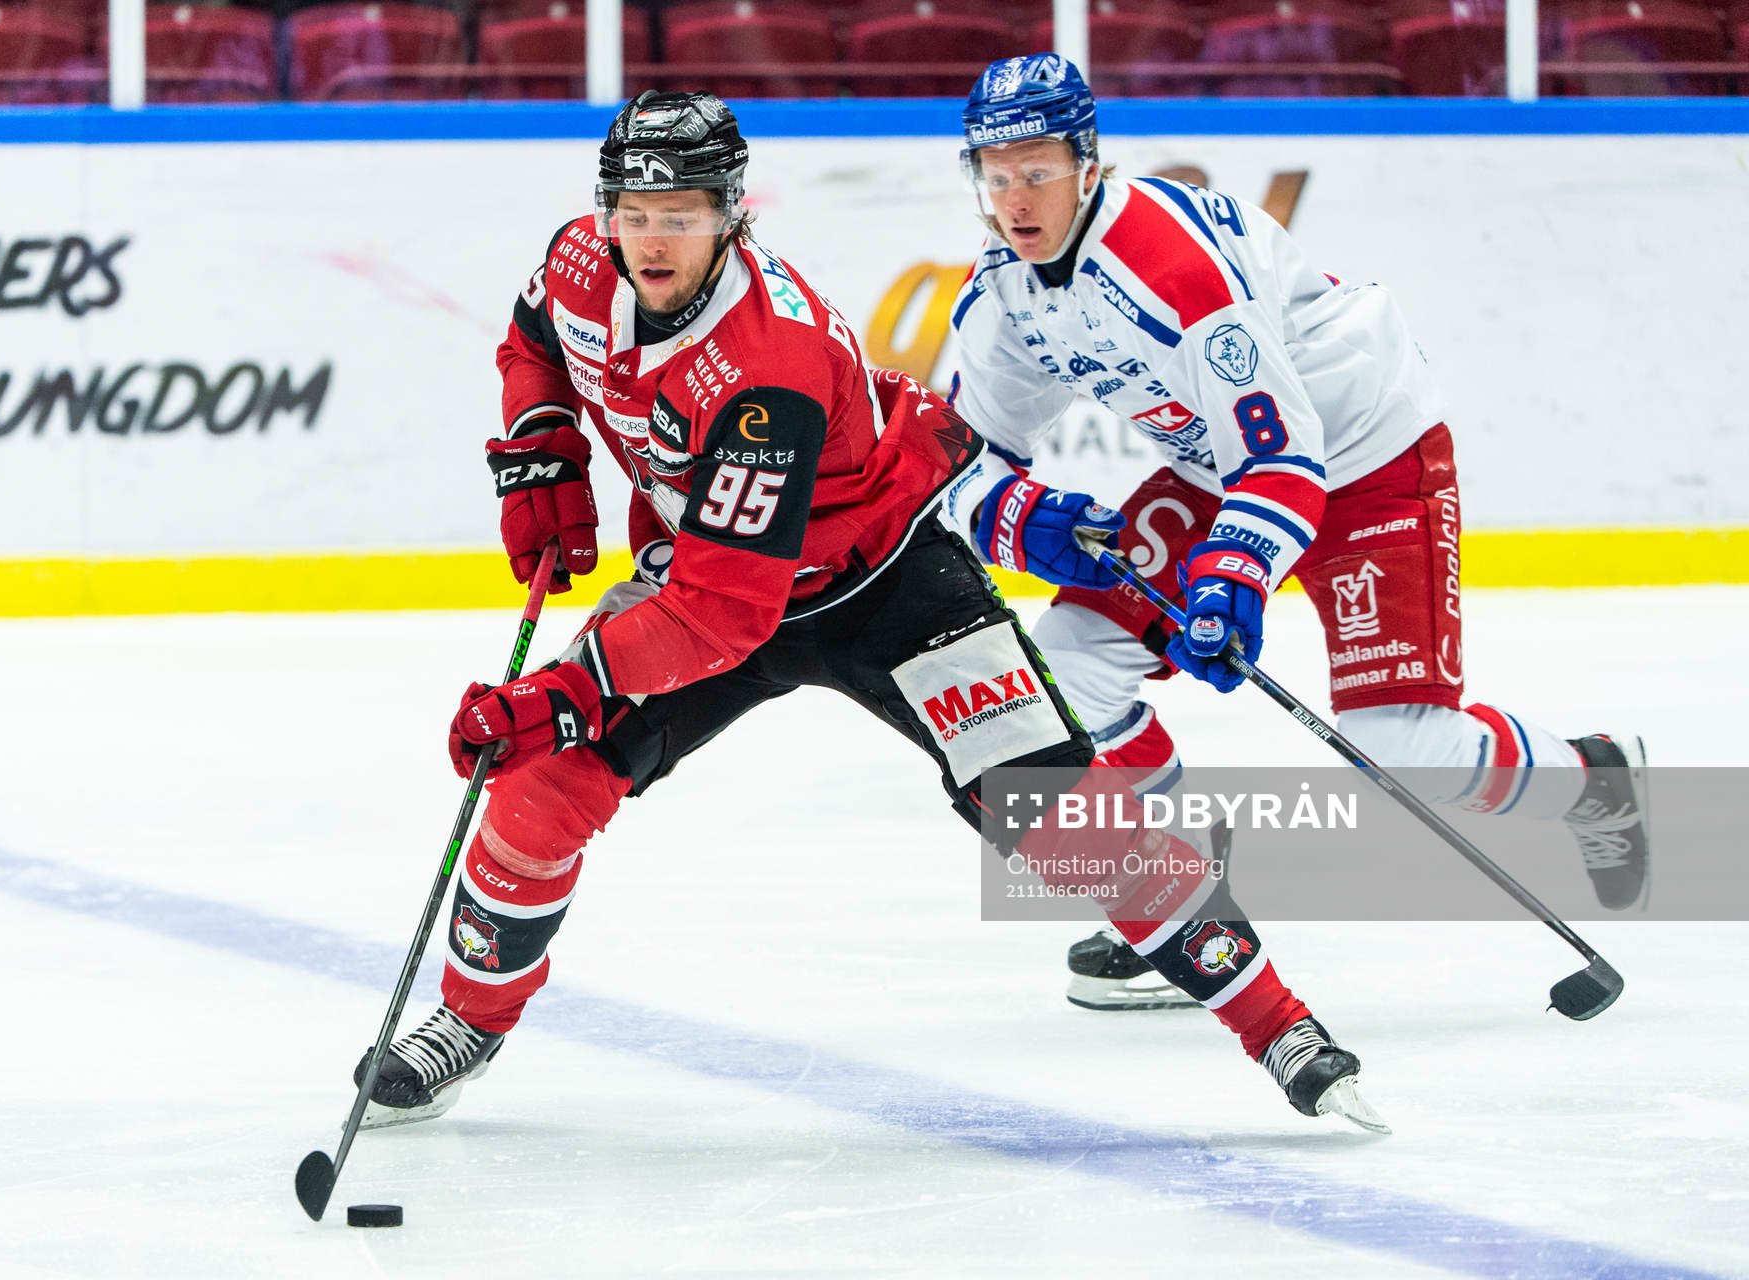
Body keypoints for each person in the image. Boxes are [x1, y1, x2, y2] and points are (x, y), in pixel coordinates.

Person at [353, 89, 1383, 1135]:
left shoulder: (766, 371)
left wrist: (569, 690)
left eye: (685, 215)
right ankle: (466, 1017)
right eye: (635, 211)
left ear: (734, 213)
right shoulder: (581, 258)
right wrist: (539, 442)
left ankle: (1279, 1024)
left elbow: (719, 618)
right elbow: (536, 332)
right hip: (711, 570)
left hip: (878, 576)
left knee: (1057, 815)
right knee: (539, 787)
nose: (653, 238)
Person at [941, 55, 1653, 1013]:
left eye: (1037, 169)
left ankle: (1590, 778)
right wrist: (1021, 523)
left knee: (1401, 746)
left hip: (1366, 456)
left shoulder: (1169, 269)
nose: (1016, 198)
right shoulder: (1004, 295)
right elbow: (958, 461)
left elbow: (1283, 460)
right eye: (996, 173)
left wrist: (1231, 580)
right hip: (1214, 466)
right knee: (1071, 661)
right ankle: (1192, 906)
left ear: (1088, 162)